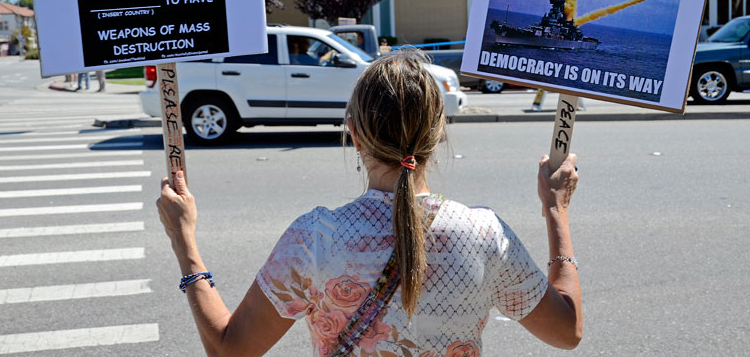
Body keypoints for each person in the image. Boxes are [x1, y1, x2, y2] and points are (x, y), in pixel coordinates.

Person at [157, 50, 582, 356]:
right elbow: (567, 332)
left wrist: (184, 242)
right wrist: (555, 210)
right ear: (438, 135)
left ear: (355, 135)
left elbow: (231, 350)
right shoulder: (485, 235)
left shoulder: (315, 239)